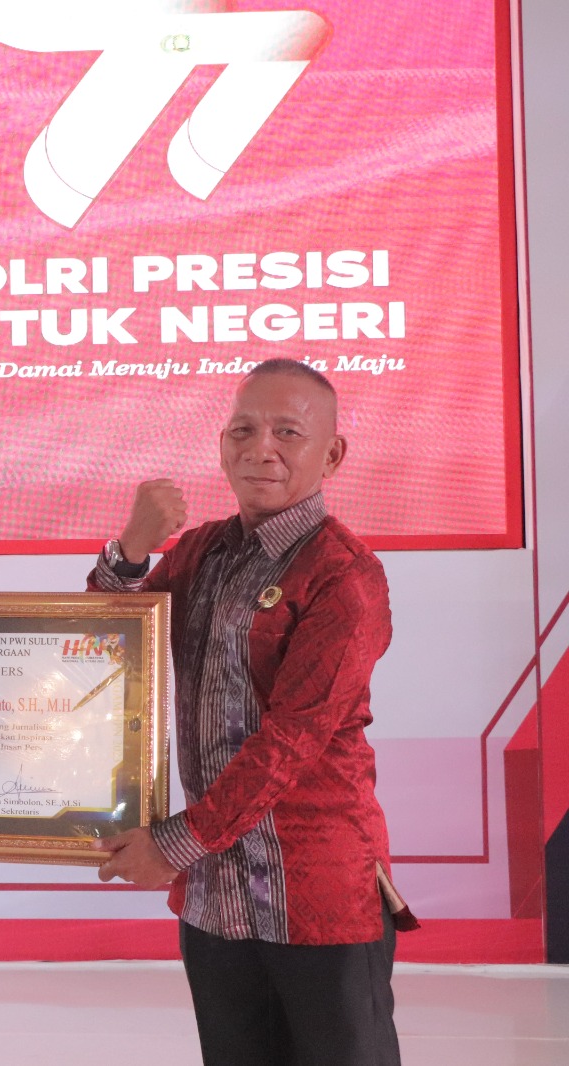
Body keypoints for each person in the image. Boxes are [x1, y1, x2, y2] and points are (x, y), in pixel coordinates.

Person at [88, 358, 414, 1066]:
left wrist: (172, 845)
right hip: (217, 898)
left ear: (332, 455)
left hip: (318, 897)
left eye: (287, 432)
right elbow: (104, 646)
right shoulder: (200, 552)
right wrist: (133, 548)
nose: (261, 448)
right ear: (221, 445)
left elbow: (292, 741)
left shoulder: (345, 575)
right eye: (243, 430)